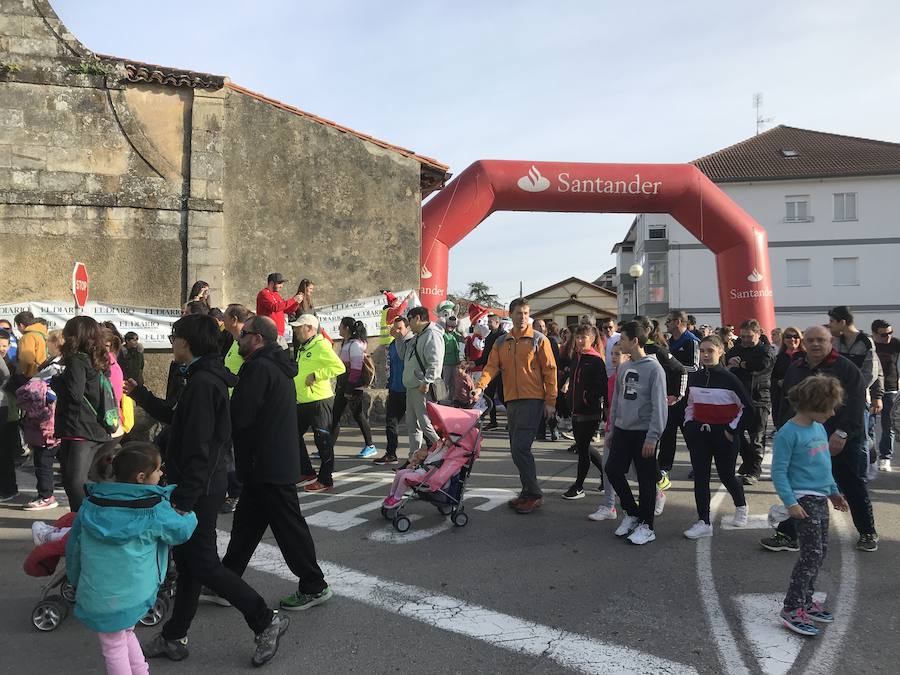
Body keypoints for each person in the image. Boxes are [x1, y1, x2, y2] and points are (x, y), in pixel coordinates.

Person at [127, 314, 289, 666]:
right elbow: (176, 417)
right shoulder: (201, 377)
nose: (172, 343)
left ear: (186, 342)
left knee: (203, 564)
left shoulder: (203, 383)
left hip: (198, 487)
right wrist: (140, 393)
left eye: (174, 337)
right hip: (198, 484)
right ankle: (173, 636)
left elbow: (202, 447)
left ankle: (265, 620)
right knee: (190, 565)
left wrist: (184, 500)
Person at [218, 315, 332, 614]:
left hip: (267, 464)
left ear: (257, 338)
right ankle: (225, 582)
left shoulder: (259, 367)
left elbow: (241, 415)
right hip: (266, 464)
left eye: (243, 334)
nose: (238, 338)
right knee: (245, 527)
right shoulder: (272, 365)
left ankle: (314, 585)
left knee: (289, 528)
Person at [65, 443, 197, 675]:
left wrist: (75, 581)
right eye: (158, 469)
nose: (162, 473)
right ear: (141, 477)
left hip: (99, 593)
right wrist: (191, 516)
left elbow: (74, 548)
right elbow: (180, 532)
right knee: (125, 633)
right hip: (136, 591)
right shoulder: (154, 509)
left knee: (114, 642)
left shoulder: (90, 505)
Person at [763, 325, 877, 553]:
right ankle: (788, 534)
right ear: (804, 343)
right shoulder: (797, 367)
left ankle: (867, 532)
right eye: (811, 340)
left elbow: (856, 404)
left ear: (830, 343)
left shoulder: (846, 368)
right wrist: (781, 425)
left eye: (820, 340)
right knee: (800, 485)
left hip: (840, 439)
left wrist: (842, 433)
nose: (815, 344)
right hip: (804, 440)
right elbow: (786, 400)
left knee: (851, 484)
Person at [771, 376, 849, 637]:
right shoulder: (789, 433)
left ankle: (806, 601)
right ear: (812, 405)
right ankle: (792, 608)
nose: (833, 412)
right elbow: (779, 472)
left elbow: (823, 466)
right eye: (829, 407)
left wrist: (833, 491)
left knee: (820, 551)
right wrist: (790, 503)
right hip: (803, 500)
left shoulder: (817, 428)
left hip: (819, 497)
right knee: (811, 555)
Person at [471, 298, 557, 514]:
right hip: (511, 400)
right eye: (519, 313)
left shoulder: (539, 340)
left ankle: (534, 493)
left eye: (526, 313)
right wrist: (480, 387)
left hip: (533, 399)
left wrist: (551, 402)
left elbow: (550, 371)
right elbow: (491, 367)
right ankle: (528, 491)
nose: (523, 317)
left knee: (520, 448)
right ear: (511, 315)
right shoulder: (502, 343)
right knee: (516, 449)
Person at [603, 320, 667, 545]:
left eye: (623, 339)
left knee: (646, 480)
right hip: (622, 429)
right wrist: (611, 429)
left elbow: (660, 406)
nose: (619, 343)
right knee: (612, 469)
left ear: (634, 341)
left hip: (643, 433)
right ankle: (632, 512)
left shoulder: (654, 369)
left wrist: (653, 436)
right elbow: (617, 401)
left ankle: (647, 526)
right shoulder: (624, 366)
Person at [681, 335, 751, 539]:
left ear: (721, 352)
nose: (705, 355)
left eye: (710, 350)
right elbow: (690, 405)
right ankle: (703, 521)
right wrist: (689, 425)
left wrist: (731, 430)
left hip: (725, 436)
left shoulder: (730, 379)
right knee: (700, 478)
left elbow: (747, 408)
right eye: (702, 351)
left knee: (727, 475)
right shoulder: (695, 377)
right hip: (700, 436)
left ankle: (741, 506)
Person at [52, 317, 112, 511]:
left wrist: (56, 382)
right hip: (87, 427)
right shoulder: (95, 358)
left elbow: (74, 394)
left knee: (74, 480)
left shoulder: (78, 359)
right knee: (76, 479)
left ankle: (80, 522)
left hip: (81, 428)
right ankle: (81, 520)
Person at [290, 314, 346, 492]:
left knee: (322, 441)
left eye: (299, 327)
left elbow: (339, 367)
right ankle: (306, 471)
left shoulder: (321, 345)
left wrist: (316, 376)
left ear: (310, 328)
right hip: (302, 401)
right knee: (292, 436)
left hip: (319, 401)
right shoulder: (303, 346)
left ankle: (325, 479)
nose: (296, 330)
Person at [560, 324, 607, 500]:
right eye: (578, 337)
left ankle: (578, 486)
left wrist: (587, 399)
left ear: (592, 339)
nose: (579, 341)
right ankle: (605, 475)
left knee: (583, 447)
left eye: (583, 337)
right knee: (583, 446)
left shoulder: (596, 360)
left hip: (589, 412)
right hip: (576, 409)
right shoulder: (577, 357)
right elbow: (574, 380)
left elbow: (601, 387)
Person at [19, 329, 65, 510]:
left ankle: (46, 496)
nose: (47, 346)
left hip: (47, 418)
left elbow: (39, 386)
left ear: (56, 343)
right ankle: (47, 494)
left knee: (44, 457)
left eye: (49, 342)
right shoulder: (55, 363)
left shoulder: (57, 366)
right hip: (47, 417)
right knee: (49, 455)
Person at [392, 306, 444, 462]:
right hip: (411, 385)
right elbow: (403, 355)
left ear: (417, 318)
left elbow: (435, 362)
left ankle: (444, 450)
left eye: (410, 320)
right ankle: (413, 458)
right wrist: (398, 338)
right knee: (412, 424)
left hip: (422, 386)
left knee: (425, 423)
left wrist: (427, 381)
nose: (409, 324)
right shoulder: (417, 336)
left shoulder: (432, 335)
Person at [726, 319, 774, 485]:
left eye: (749, 336)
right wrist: (732, 365)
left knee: (756, 438)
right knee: (735, 434)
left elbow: (762, 366)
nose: (745, 339)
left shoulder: (765, 350)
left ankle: (754, 470)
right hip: (737, 400)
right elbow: (728, 362)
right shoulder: (735, 349)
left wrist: (744, 365)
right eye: (743, 336)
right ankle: (748, 462)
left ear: (758, 334)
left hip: (759, 400)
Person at [588, 341, 628, 521]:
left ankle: (656, 494)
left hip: (629, 429)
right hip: (613, 428)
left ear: (627, 356)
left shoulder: (630, 377)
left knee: (635, 470)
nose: (613, 357)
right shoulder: (612, 379)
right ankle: (609, 506)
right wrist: (609, 425)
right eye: (612, 353)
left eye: (618, 354)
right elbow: (612, 406)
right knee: (607, 467)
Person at [658, 310, 700, 479]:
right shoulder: (668, 342)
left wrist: (674, 366)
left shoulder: (692, 341)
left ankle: (699, 466)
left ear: (677, 322)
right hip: (669, 396)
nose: (666, 324)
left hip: (686, 397)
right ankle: (663, 468)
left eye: (668, 321)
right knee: (667, 434)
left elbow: (696, 367)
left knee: (690, 435)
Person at [220, 304, 254, 513]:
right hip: (229, 403)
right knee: (228, 451)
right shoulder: (234, 341)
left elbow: (249, 375)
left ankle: (237, 493)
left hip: (239, 406)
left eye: (225, 316)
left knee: (233, 452)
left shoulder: (245, 341)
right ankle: (234, 491)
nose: (222, 320)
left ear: (233, 319)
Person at [331, 317, 376, 459]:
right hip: (343, 385)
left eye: (340, 326)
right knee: (335, 416)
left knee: (358, 415)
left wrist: (350, 388)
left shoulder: (355, 345)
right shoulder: (347, 343)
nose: (338, 329)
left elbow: (356, 369)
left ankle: (370, 446)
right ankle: (326, 448)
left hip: (353, 386)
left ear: (347, 328)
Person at [374, 316, 408, 465]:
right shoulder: (393, 344)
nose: (397, 331)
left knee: (420, 424)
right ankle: (391, 453)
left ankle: (431, 451)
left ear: (407, 328)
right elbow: (391, 365)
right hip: (395, 388)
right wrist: (390, 382)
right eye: (395, 328)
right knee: (391, 422)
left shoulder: (409, 342)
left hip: (410, 389)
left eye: (400, 328)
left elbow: (404, 357)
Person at [872, 319, 899, 471]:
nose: (887, 337)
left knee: (888, 426)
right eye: (883, 335)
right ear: (875, 333)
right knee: (869, 426)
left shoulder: (895, 344)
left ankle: (885, 457)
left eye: (890, 333)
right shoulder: (870, 345)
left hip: (891, 389)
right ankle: (871, 457)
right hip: (872, 389)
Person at [256, 272, 303, 349]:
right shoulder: (264, 293)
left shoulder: (276, 295)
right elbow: (275, 307)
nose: (282, 286)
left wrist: (296, 303)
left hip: (278, 333)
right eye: (280, 283)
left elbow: (287, 310)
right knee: (279, 356)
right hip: (269, 333)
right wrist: (294, 299)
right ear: (271, 283)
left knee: (283, 355)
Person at [473, 314, 503, 429]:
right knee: (488, 396)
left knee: (503, 396)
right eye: (488, 322)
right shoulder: (490, 336)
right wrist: (474, 363)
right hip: (490, 372)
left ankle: (512, 421)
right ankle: (493, 421)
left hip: (501, 371)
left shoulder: (503, 336)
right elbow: (485, 356)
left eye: (490, 322)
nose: (488, 324)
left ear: (497, 322)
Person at [0, 329, 20, 502]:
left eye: (4, 345)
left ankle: (8, 489)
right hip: (6, 410)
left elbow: (9, 382)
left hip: (8, 412)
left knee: (5, 452)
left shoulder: (12, 365)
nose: (2, 348)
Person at [771, 326, 805, 427]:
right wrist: (778, 382)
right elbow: (772, 378)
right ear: (784, 339)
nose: (792, 339)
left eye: (795, 336)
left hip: (802, 399)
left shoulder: (806, 357)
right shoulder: (779, 358)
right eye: (788, 336)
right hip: (782, 398)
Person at [14, 310, 49, 378]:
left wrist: (21, 374)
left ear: (21, 325)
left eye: (17, 326)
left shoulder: (28, 337)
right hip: (44, 374)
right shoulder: (43, 334)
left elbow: (26, 359)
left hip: (31, 376)